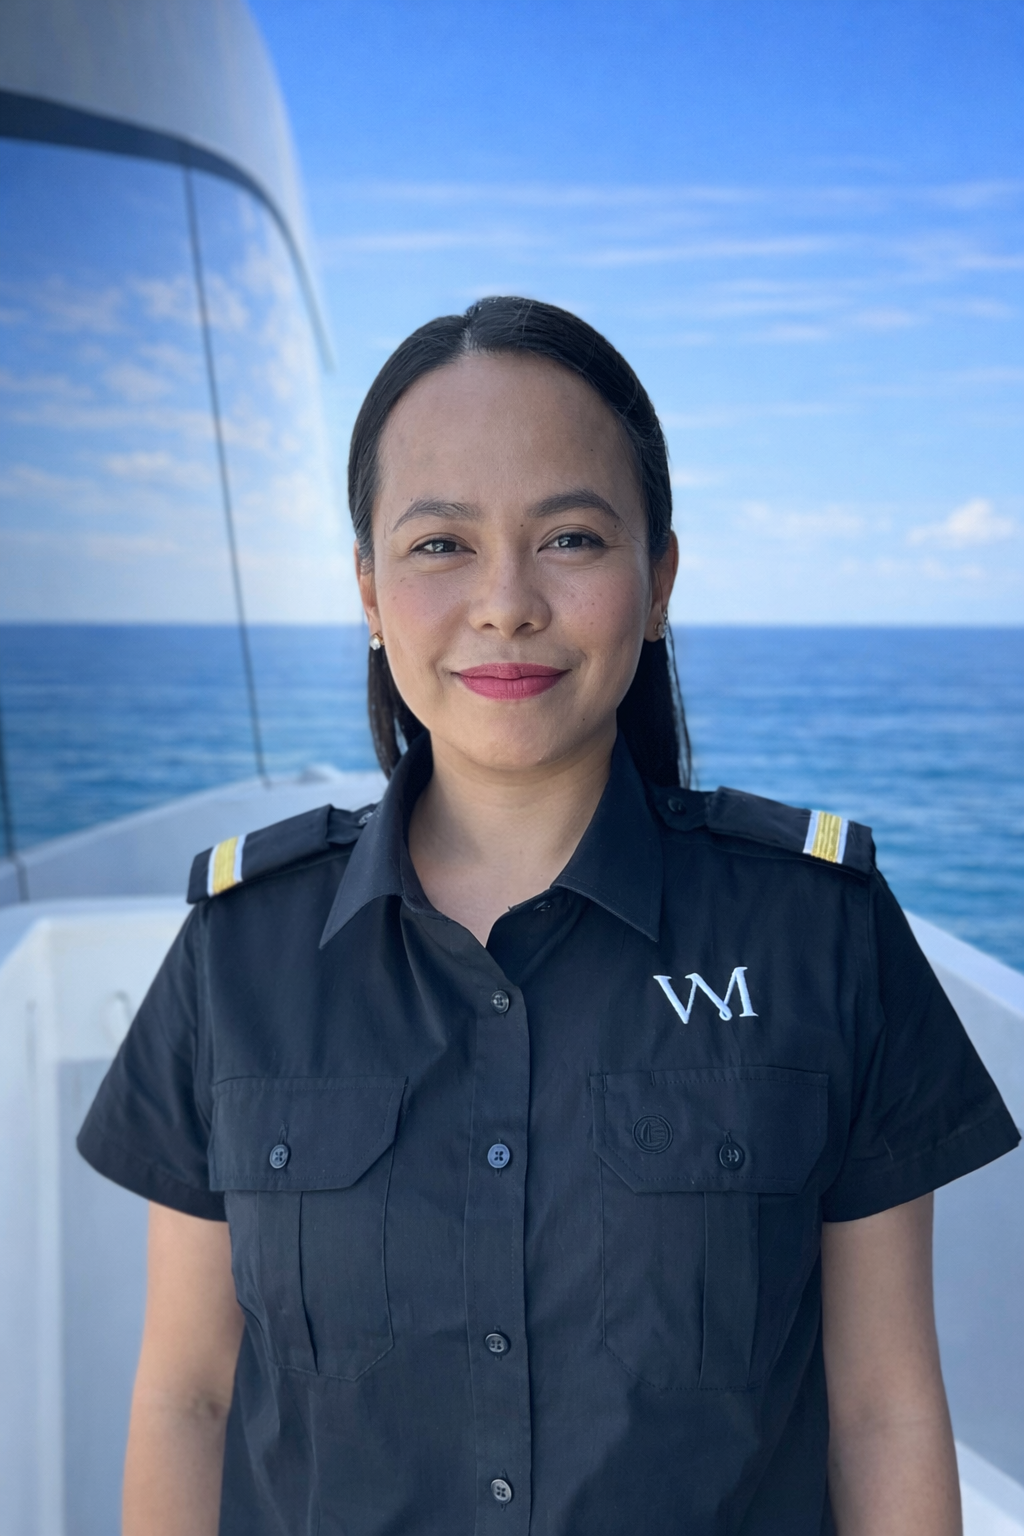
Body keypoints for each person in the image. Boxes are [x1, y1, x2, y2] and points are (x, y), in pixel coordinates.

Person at [79, 296, 1019, 1536]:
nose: (507, 602)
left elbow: (883, 1408)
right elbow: (188, 1399)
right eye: (439, 546)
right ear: (367, 589)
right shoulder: (238, 953)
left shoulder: (818, 935)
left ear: (659, 577)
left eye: (570, 538)